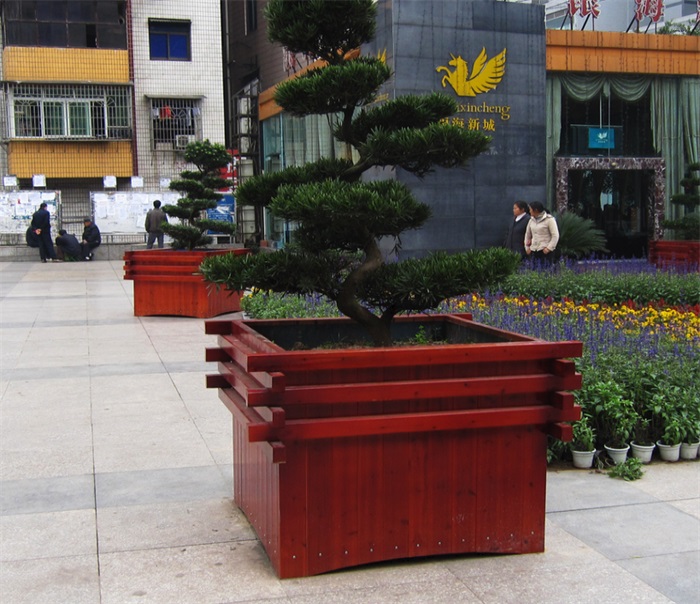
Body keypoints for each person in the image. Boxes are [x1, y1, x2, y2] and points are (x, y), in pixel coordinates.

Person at [525, 201, 559, 266]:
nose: (529, 211)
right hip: (533, 250)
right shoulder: (531, 220)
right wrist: (527, 248)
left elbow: (555, 235)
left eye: (530, 209)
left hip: (545, 251)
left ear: (536, 210)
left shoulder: (549, 220)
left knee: (545, 269)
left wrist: (549, 248)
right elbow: (527, 235)